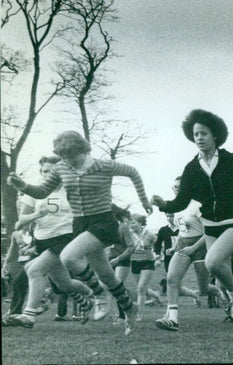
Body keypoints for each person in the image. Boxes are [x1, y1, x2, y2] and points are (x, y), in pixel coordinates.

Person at [7, 131, 152, 336]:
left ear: (84, 150)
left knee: (68, 257)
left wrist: (144, 200)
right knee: (106, 274)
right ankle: (130, 308)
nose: (69, 162)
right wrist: (22, 185)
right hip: (80, 223)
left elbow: (133, 172)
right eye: (65, 158)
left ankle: (99, 295)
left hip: (103, 221)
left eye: (73, 157)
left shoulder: (104, 165)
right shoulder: (61, 168)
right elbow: (41, 192)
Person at [151, 109, 233, 341]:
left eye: (204, 133)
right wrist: (164, 205)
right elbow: (181, 201)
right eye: (195, 134)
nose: (199, 137)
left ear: (215, 135)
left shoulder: (231, 160)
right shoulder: (191, 168)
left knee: (211, 261)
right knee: (221, 277)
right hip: (210, 226)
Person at [2, 157, 95, 329]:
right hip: (43, 241)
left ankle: (28, 315)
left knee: (34, 270)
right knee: (64, 284)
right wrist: (36, 215)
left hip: (66, 238)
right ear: (41, 172)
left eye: (54, 171)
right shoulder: (33, 192)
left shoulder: (71, 190)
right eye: (45, 171)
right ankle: (92, 295)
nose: (49, 175)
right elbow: (20, 221)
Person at [154, 176, 223, 332]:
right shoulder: (175, 207)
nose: (176, 189)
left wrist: (194, 248)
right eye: (174, 187)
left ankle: (221, 296)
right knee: (172, 279)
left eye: (179, 186)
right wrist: (176, 246)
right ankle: (172, 319)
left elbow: (210, 231)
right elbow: (182, 230)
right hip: (184, 247)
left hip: (201, 246)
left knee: (203, 288)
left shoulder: (197, 206)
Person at [128, 214, 162, 321]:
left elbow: (159, 245)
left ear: (140, 223)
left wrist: (158, 256)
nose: (131, 225)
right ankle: (155, 295)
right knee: (142, 288)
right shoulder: (129, 234)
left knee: (141, 288)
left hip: (148, 262)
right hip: (134, 262)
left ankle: (139, 314)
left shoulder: (149, 234)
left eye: (133, 222)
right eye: (130, 223)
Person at [155, 214, 179, 295]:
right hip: (168, 256)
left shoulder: (182, 229)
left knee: (178, 274)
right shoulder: (163, 230)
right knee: (169, 273)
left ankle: (173, 288)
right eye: (168, 216)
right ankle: (168, 288)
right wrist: (157, 253)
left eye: (172, 216)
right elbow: (158, 243)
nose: (170, 218)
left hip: (181, 254)